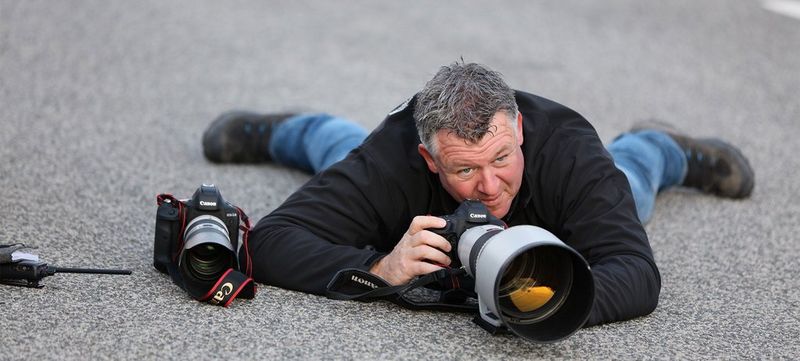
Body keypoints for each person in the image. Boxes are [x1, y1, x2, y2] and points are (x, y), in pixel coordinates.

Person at [201, 62, 754, 326]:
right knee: (340, 150)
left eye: (501, 158)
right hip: (392, 167)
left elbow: (636, 272)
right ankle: (285, 128)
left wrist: (546, 298)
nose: (490, 187)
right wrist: (380, 268)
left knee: (632, 183)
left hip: (571, 194)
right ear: (429, 160)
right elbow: (269, 240)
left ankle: (664, 145)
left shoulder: (568, 153)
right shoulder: (396, 161)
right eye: (465, 171)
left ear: (517, 133)